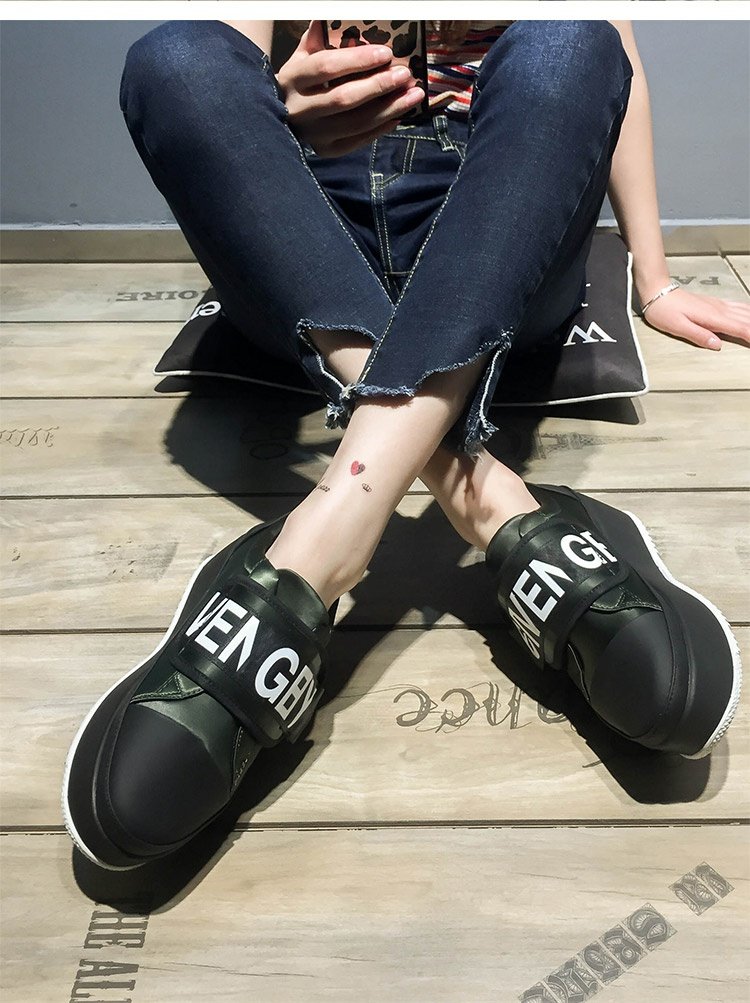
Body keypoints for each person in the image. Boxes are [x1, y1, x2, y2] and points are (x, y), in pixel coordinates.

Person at [63, 20, 746, 870]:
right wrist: (277, 105)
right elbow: (216, 64)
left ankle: (317, 553)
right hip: (314, 239)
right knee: (176, 58)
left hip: (497, 230)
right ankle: (486, 497)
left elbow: (615, 70)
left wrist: (656, 281)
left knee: (575, 40)